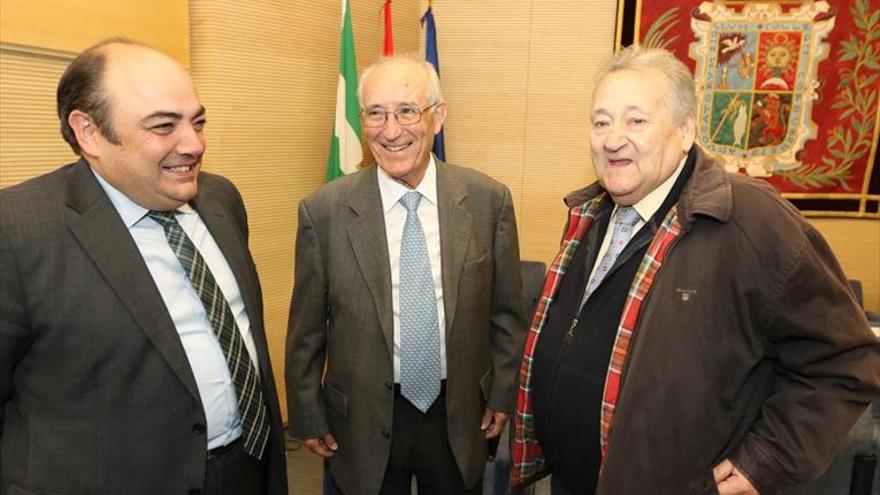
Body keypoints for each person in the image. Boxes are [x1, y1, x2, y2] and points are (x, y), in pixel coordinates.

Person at [510, 46, 880, 495]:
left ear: (685, 131)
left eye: (636, 121)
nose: (611, 139)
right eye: (601, 122)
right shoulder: (592, 213)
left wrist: (766, 461)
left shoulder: (751, 220)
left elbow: (846, 362)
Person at [0, 39, 288, 495]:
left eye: (198, 122)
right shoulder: (17, 229)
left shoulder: (220, 199)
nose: (194, 144)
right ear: (89, 131)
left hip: (243, 471)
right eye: (163, 126)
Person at [286, 54, 527, 495]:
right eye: (376, 113)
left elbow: (507, 315)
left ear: (438, 116)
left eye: (407, 111)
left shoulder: (488, 201)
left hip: (457, 413)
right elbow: (306, 331)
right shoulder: (323, 212)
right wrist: (306, 413)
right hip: (359, 416)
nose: (391, 130)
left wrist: (502, 392)